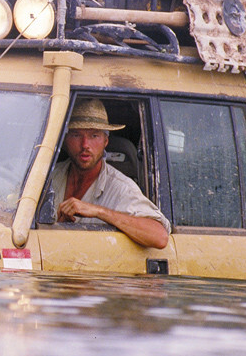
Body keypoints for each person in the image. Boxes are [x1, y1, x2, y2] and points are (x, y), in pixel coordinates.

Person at [50, 98, 170, 249]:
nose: (85, 145)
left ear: (105, 141)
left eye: (94, 136)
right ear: (66, 139)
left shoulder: (121, 187)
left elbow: (159, 237)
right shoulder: (49, 177)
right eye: (76, 135)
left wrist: (98, 211)